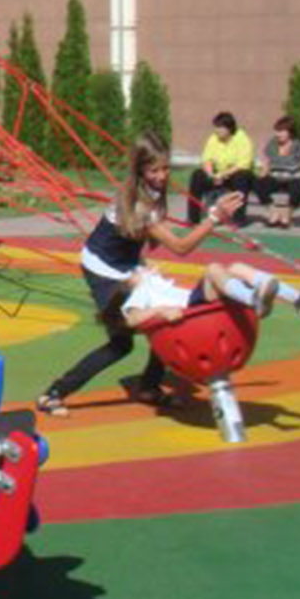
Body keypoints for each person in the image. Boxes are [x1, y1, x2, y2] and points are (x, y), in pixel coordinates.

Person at [37, 133, 244, 417]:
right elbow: (181, 248)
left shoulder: (151, 192)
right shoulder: (139, 203)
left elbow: (136, 237)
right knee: (122, 343)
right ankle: (53, 394)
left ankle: (149, 386)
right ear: (140, 170)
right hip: (103, 269)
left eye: (165, 168)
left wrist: (141, 265)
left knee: (163, 323)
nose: (161, 176)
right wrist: (214, 218)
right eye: (153, 170)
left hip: (124, 264)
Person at [118, 259, 300, 328]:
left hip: (195, 299)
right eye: (137, 270)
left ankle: (299, 299)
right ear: (130, 282)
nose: (144, 268)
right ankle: (253, 300)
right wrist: (161, 310)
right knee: (213, 269)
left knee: (236, 267)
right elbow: (132, 319)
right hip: (192, 309)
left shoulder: (157, 283)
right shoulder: (142, 290)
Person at [186, 111, 255, 225]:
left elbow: (243, 164)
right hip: (217, 174)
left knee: (241, 177)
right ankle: (193, 218)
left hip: (235, 174)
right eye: (216, 127)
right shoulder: (213, 138)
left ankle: (239, 219)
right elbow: (206, 159)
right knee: (197, 175)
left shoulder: (242, 139)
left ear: (229, 128)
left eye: (220, 127)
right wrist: (211, 175)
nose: (217, 130)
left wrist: (223, 175)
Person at [255, 115, 300, 229]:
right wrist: (262, 177)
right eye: (277, 131)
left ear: (290, 132)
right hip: (275, 177)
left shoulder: (298, 144)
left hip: (294, 178)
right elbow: (267, 161)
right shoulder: (272, 143)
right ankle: (274, 214)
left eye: (281, 131)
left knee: (299, 187)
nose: (278, 134)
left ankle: (287, 216)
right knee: (258, 185)